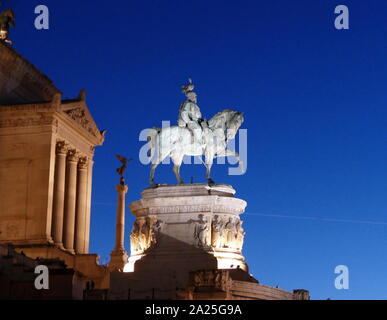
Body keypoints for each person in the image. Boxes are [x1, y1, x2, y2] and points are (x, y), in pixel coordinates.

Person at [178, 78, 203, 144]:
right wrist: (189, 121)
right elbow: (184, 113)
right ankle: (198, 143)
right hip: (190, 122)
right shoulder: (188, 104)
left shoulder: (196, 106)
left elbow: (198, 116)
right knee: (197, 129)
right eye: (194, 97)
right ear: (191, 97)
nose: (195, 98)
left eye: (195, 97)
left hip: (197, 122)